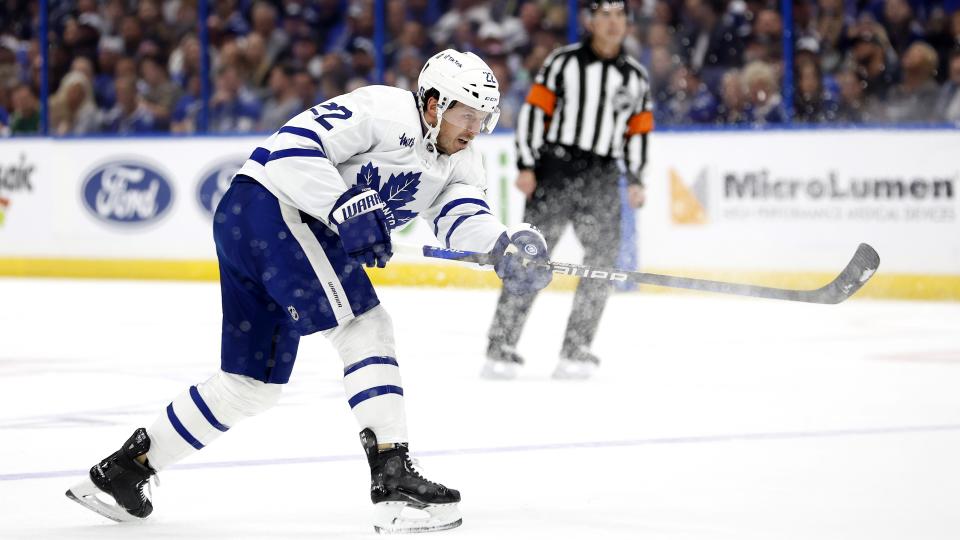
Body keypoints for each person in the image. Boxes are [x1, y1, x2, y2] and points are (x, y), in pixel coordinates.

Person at [65, 49, 552, 534]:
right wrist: (347, 206)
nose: (474, 128)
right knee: (365, 327)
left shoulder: (460, 160)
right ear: (432, 103)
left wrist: (503, 246)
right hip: (271, 209)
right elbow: (291, 150)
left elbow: (461, 215)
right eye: (466, 114)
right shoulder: (381, 110)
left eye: (483, 118)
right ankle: (392, 478)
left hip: (252, 223)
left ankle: (122, 473)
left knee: (250, 387)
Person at [485, 0, 650, 380]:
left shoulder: (635, 77)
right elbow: (533, 113)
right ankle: (501, 344)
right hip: (557, 168)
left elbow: (637, 133)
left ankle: (576, 346)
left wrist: (637, 178)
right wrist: (527, 164)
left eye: (619, 15)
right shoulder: (563, 63)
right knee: (531, 256)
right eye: (605, 15)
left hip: (603, 174)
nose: (613, 23)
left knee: (602, 264)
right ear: (591, 21)